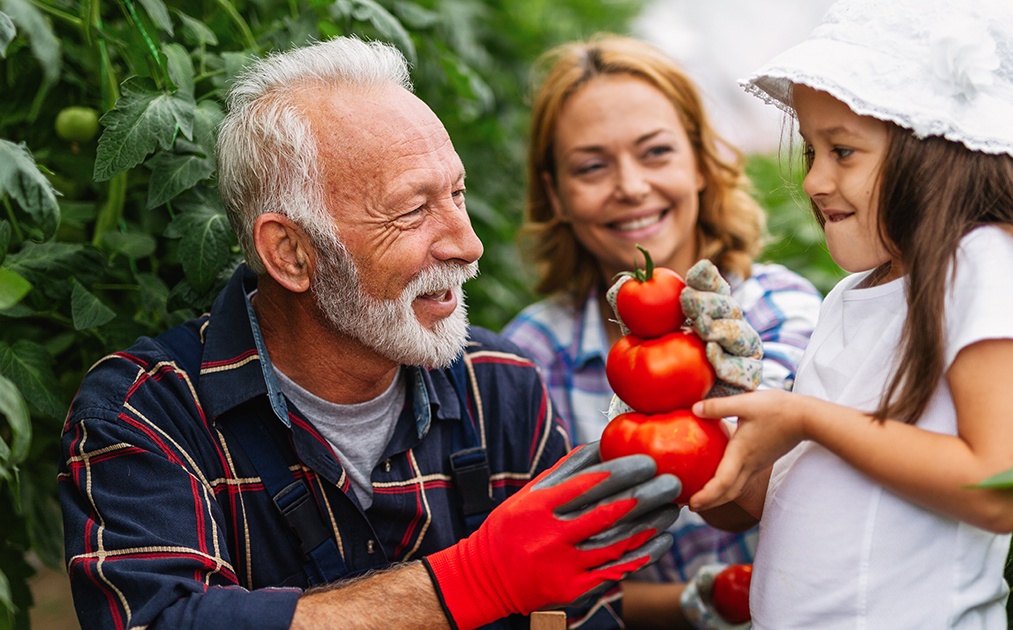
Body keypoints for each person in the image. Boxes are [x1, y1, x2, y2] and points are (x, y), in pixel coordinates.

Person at [58, 37, 686, 630]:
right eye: (412, 210)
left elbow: (581, 611)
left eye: (458, 194)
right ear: (292, 254)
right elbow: (160, 619)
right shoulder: (146, 413)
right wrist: (474, 579)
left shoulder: (500, 385)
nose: (469, 245)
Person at [686, 0, 1013, 628]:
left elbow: (1003, 487)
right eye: (811, 152)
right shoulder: (850, 298)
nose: (816, 180)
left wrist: (808, 418)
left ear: (941, 150)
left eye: (843, 152)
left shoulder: (989, 262)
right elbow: (775, 500)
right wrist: (699, 411)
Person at [501, 35, 822, 630]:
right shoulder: (528, 356)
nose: (629, 185)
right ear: (556, 194)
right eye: (592, 166)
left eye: (655, 153)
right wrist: (702, 600)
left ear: (700, 163)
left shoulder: (778, 311)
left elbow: (769, 498)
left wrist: (724, 387)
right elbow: (536, 593)